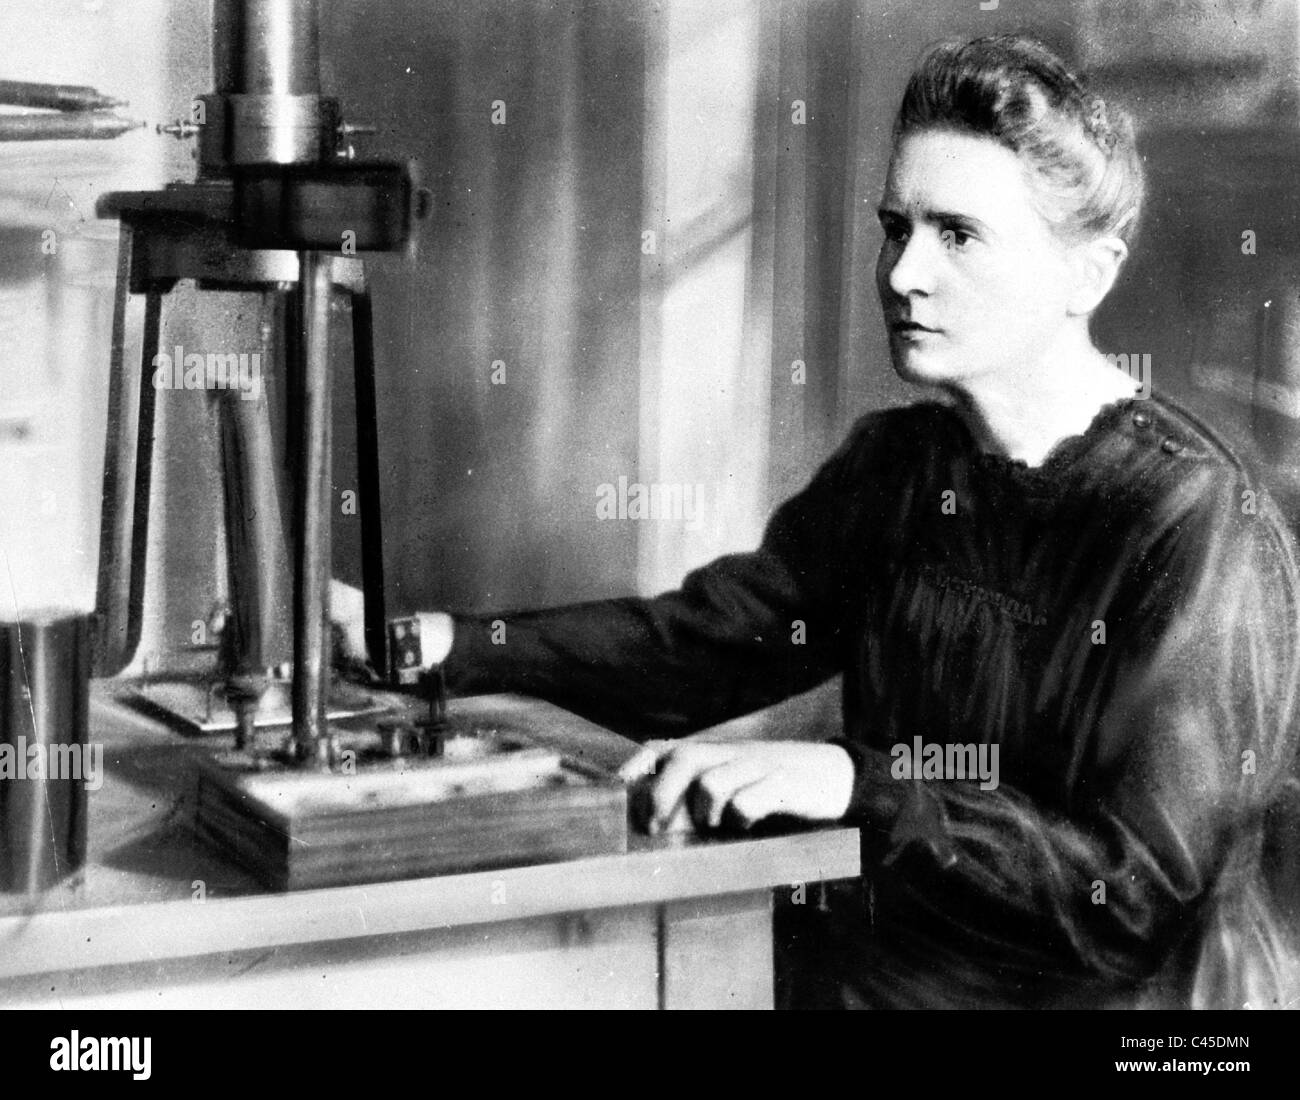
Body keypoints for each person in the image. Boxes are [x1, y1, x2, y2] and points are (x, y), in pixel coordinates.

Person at [335, 34, 1300, 1009]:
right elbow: (702, 647)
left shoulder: (1194, 520)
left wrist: (854, 785)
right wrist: (443, 643)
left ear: (1086, 275)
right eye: (896, 225)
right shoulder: (898, 468)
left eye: (956, 234)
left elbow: (1129, 897)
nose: (902, 272)